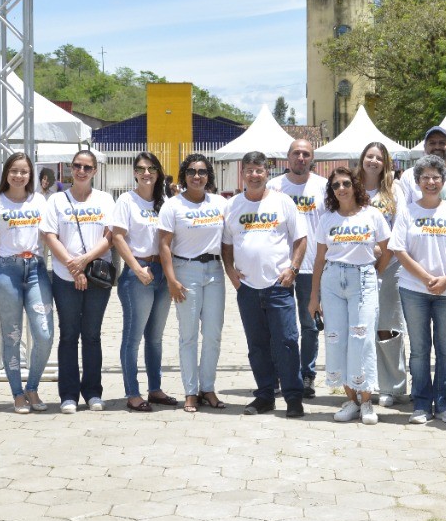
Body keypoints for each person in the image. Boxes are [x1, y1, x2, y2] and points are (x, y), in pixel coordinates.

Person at [223, 150, 309, 418]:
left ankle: (294, 397)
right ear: (243, 173)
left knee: (286, 341)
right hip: (247, 289)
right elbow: (226, 245)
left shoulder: (283, 202)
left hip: (278, 286)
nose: (254, 174)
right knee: (257, 345)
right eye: (249, 169)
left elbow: (301, 238)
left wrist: (293, 269)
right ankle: (265, 395)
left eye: (259, 169)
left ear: (267, 172)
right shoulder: (233, 205)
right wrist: (231, 274)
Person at [390, 154, 446, 425]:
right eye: (425, 177)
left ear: (443, 180)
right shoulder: (407, 211)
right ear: (417, 182)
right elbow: (399, 250)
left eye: (436, 177)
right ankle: (422, 404)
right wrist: (426, 278)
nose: (431, 182)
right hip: (414, 289)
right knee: (419, 349)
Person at [309, 167, 391, 425]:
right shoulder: (327, 219)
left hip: (363, 279)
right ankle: (351, 401)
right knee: (336, 338)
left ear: (355, 185)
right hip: (332, 280)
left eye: (346, 183)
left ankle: (366, 400)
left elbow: (388, 250)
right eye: (335, 185)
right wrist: (314, 297)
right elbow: (319, 259)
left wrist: (373, 273)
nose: (341, 188)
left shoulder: (372, 215)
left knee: (362, 337)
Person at [41, 149, 116, 413]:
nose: (81, 171)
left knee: (92, 336)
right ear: (70, 169)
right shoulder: (57, 201)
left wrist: (84, 261)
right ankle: (69, 394)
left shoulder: (106, 200)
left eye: (87, 167)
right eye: (77, 166)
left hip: (96, 275)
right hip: (64, 276)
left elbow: (110, 236)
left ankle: (93, 392)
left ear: (95, 171)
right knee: (69, 334)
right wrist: (73, 268)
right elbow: (50, 236)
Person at [0, 152, 54, 414]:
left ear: (31, 175)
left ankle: (32, 387)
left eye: (24, 171)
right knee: (11, 336)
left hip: (36, 269)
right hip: (5, 272)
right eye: (14, 170)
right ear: (6, 174)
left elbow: (51, 237)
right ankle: (17, 394)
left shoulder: (40, 201)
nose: (19, 176)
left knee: (44, 335)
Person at [158, 154, 228, 413]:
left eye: (201, 171)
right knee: (188, 335)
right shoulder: (172, 206)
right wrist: (171, 280)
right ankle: (190, 391)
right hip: (185, 271)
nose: (196, 176)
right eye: (191, 171)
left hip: (214, 271)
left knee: (213, 335)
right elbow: (164, 244)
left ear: (209, 175)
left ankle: (206, 388)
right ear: (183, 176)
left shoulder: (220, 203)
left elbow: (230, 240)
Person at [111, 152, 177, 412]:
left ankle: (155, 388)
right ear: (134, 173)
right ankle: (132, 392)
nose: (146, 173)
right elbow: (117, 237)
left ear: (158, 172)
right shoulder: (126, 200)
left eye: (151, 168)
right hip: (139, 273)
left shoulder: (166, 202)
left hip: (162, 272)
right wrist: (137, 269)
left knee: (156, 338)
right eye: (140, 169)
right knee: (133, 337)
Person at [266, 139, 326, 398]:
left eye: (306, 154)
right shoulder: (274, 186)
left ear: (312, 158)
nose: (301, 158)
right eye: (296, 153)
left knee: (310, 324)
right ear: (287, 157)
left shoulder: (323, 187)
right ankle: (281, 373)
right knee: (279, 325)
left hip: (312, 266)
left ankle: (307, 375)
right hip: (280, 266)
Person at [357, 142, 408, 408]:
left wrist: (382, 263)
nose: (373, 161)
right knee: (362, 327)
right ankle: (367, 383)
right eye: (369, 156)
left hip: (389, 267)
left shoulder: (395, 190)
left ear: (385, 162)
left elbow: (398, 230)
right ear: (362, 159)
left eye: (379, 157)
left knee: (388, 326)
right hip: (357, 267)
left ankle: (394, 386)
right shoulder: (351, 187)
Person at [399, 126, 446, 206]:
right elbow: (404, 209)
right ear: (424, 147)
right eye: (432, 143)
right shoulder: (408, 175)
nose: (437, 147)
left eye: (442, 143)